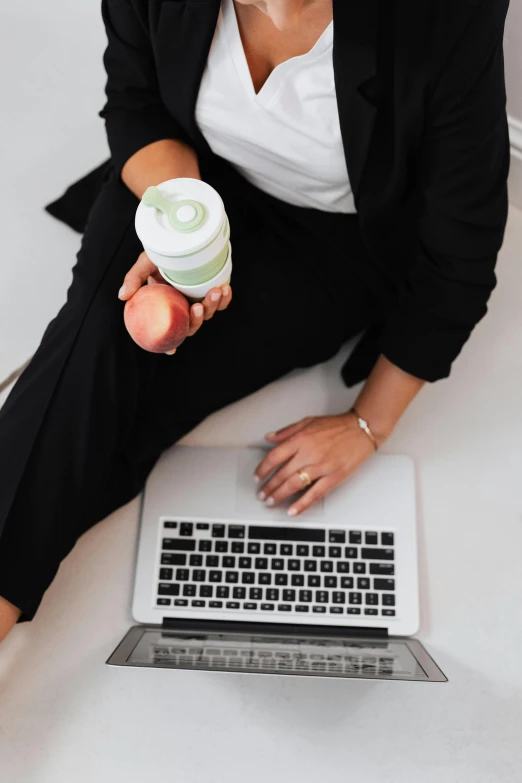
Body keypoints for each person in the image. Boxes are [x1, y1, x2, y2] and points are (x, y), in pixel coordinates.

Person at [0, 0, 510, 643]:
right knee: (88, 345)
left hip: (335, 245)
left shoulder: (444, 18)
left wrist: (367, 422)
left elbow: (461, 246)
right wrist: (188, 228)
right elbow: (136, 104)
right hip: (186, 184)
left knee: (133, 405)